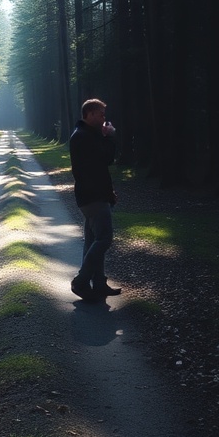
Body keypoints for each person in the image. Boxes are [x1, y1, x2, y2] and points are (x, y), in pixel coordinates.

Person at [69, 98, 121, 301]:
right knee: (104, 239)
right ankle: (81, 281)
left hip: (92, 195)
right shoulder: (84, 137)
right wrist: (109, 137)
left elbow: (99, 168)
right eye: (100, 114)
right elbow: (106, 160)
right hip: (93, 197)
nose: (103, 118)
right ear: (89, 114)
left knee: (93, 241)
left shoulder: (85, 134)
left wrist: (108, 194)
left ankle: (98, 284)